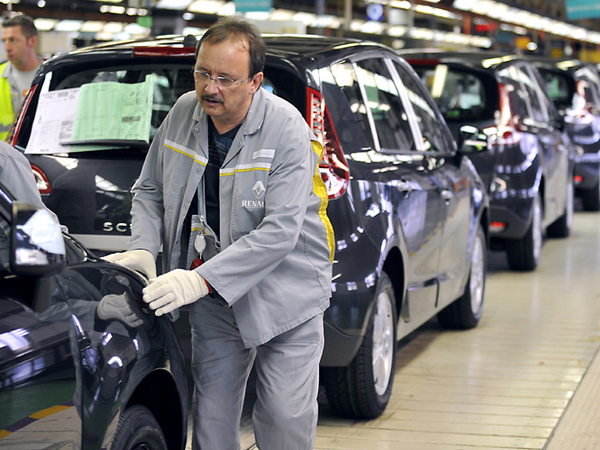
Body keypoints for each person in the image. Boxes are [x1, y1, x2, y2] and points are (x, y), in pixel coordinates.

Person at [105, 16, 334, 450]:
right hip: (214, 297)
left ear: (255, 82)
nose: (210, 88)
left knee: (283, 418)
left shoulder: (287, 129)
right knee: (211, 418)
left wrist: (198, 278)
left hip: (286, 293)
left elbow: (280, 232)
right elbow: (151, 188)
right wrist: (142, 247)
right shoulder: (181, 116)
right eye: (203, 73)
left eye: (226, 78)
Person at [0, 14, 40, 141]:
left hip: (41, 158)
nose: (7, 47)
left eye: (13, 40)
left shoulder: (52, 77)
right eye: (4, 41)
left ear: (32, 41)